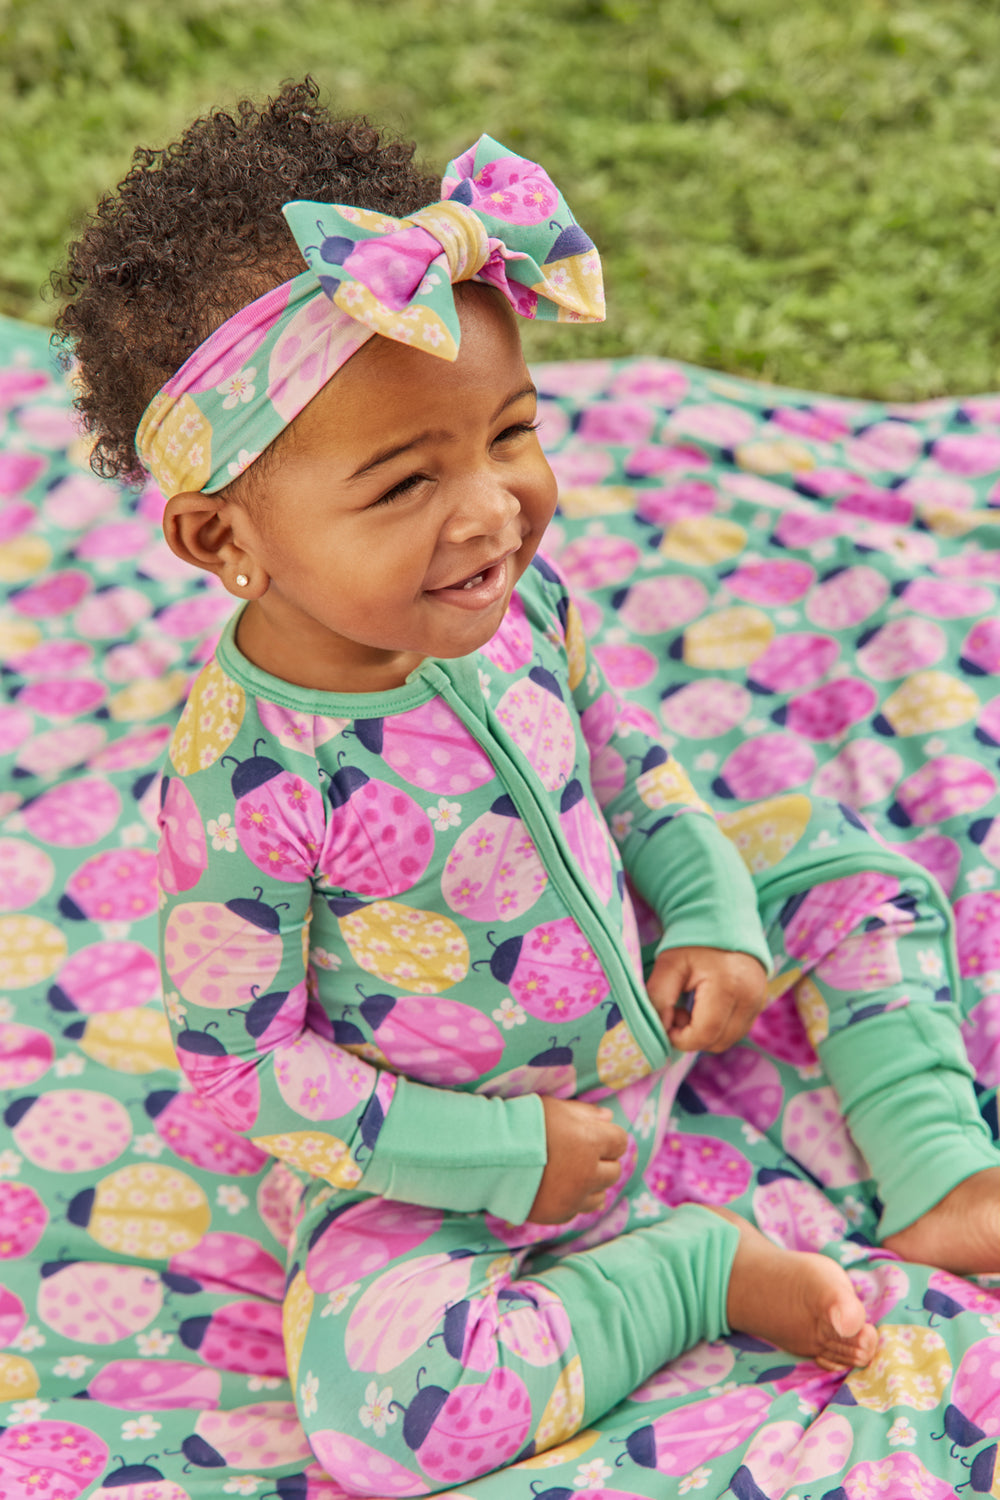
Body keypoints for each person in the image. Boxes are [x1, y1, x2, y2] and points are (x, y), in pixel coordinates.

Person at [56, 79, 999, 1497]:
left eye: (510, 432)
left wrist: (709, 913)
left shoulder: (517, 601)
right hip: (465, 1159)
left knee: (841, 859)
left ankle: (938, 1171)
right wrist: (502, 1153)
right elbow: (245, 1071)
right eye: (403, 484)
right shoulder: (246, 779)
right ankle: (693, 1273)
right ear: (220, 537)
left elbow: (633, 771)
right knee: (384, 1422)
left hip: (657, 1003)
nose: (495, 510)